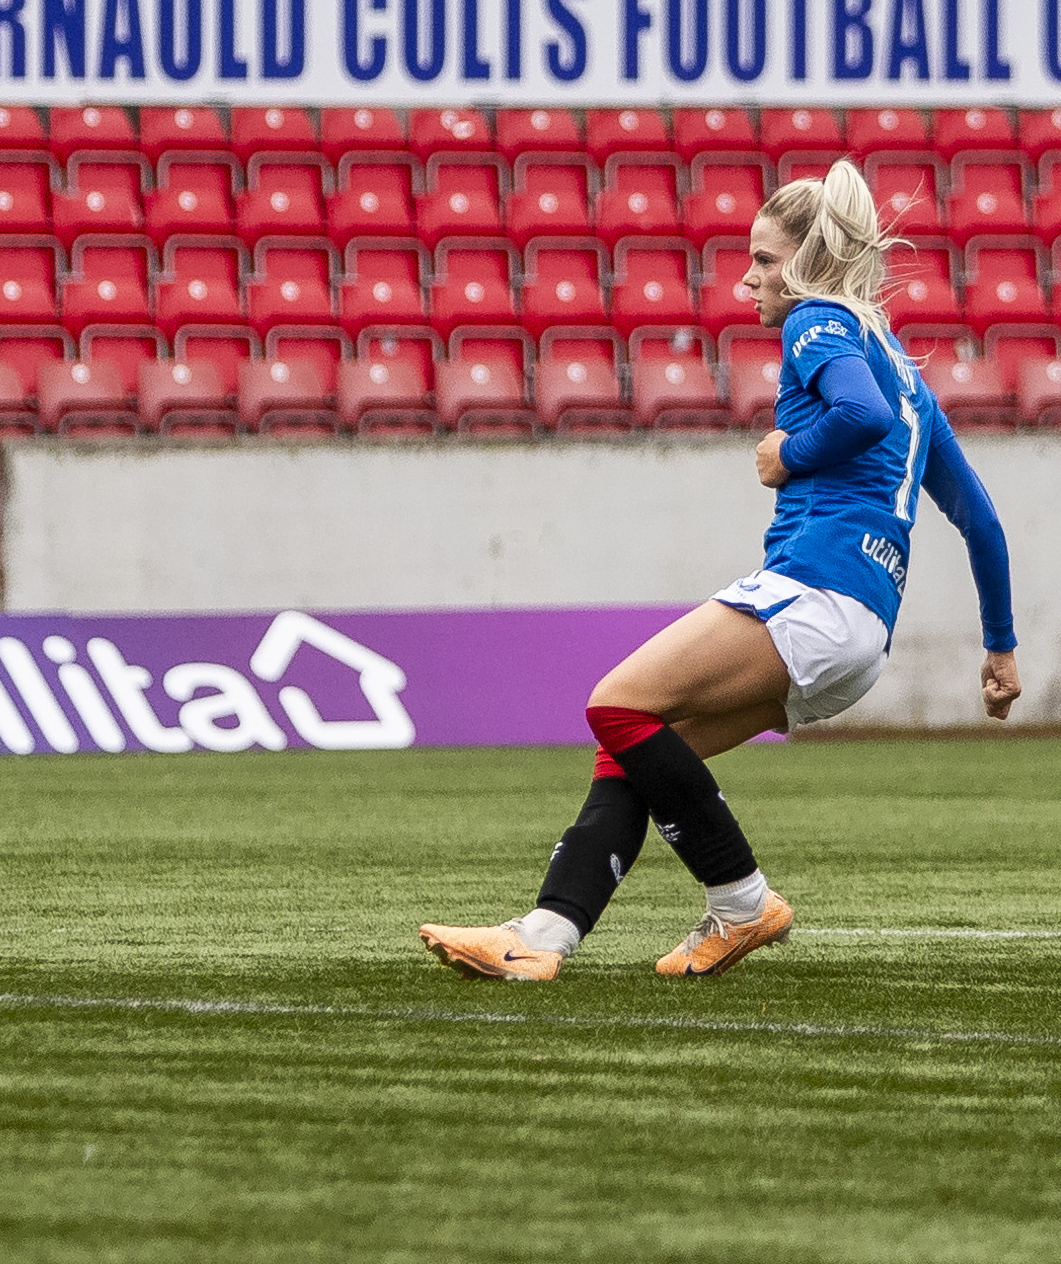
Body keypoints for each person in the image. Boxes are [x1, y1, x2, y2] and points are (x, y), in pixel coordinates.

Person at [418, 159, 1018, 983]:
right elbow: (979, 520)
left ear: (808, 265)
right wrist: (999, 651)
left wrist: (786, 455)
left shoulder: (818, 325)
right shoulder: (911, 380)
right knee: (632, 751)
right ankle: (541, 938)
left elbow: (856, 415)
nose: (748, 281)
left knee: (614, 705)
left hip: (811, 592)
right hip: (862, 635)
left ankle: (741, 900)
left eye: (764, 260)